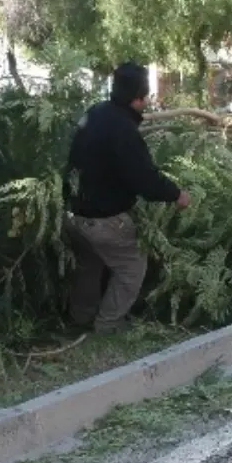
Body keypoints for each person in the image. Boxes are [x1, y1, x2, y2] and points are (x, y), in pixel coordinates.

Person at [63, 62, 191, 333]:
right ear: (139, 98)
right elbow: (144, 178)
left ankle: (80, 318)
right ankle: (108, 324)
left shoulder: (96, 113)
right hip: (103, 219)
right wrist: (176, 194)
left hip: (75, 213)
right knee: (132, 267)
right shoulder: (123, 130)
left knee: (90, 264)